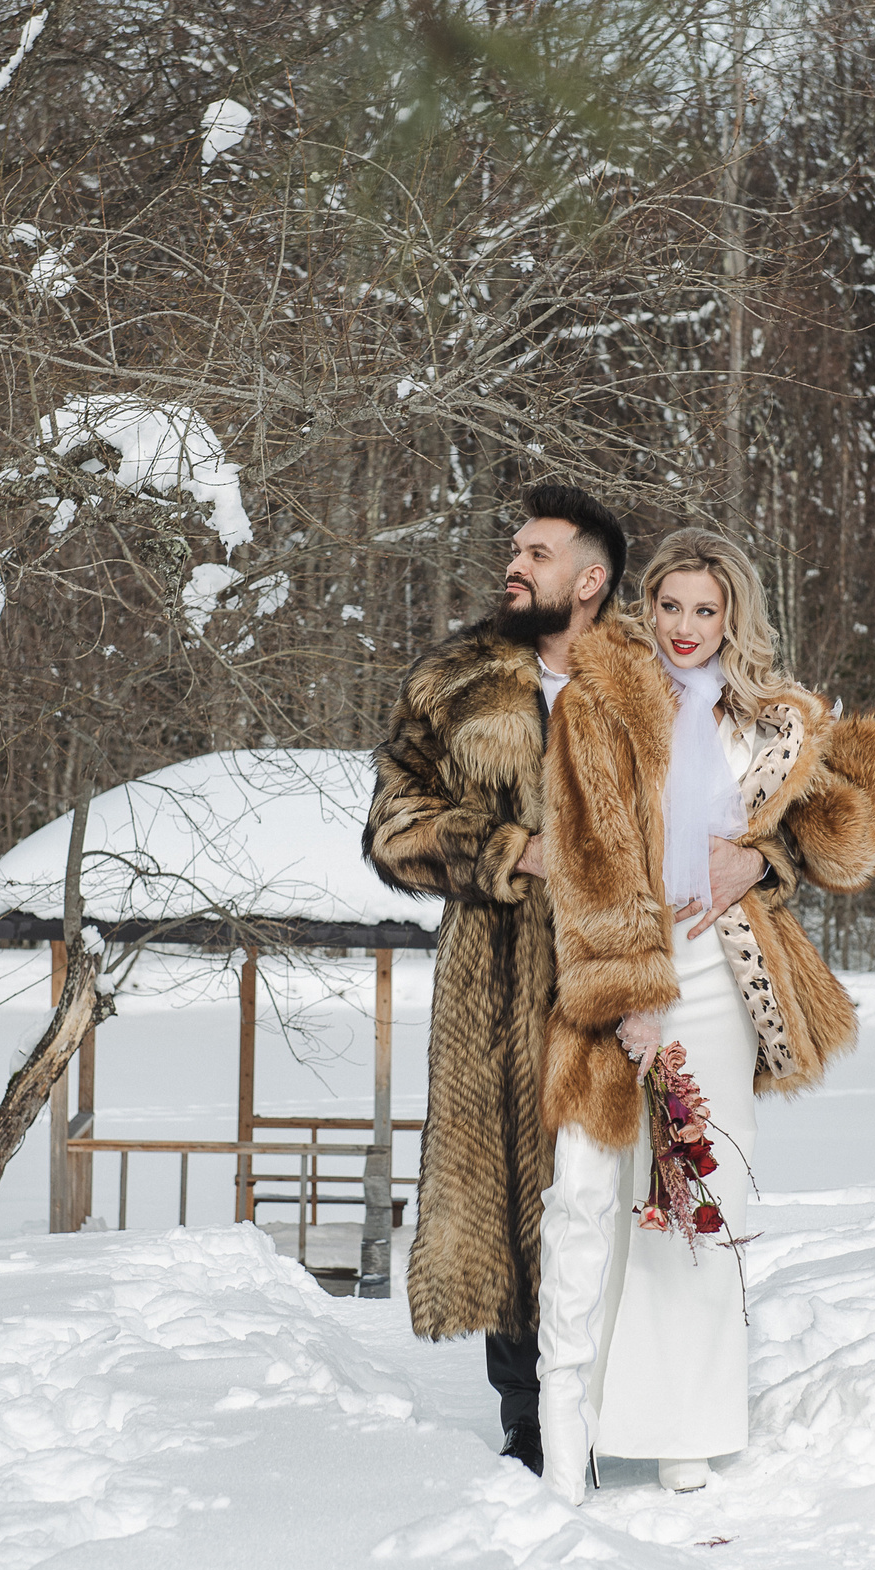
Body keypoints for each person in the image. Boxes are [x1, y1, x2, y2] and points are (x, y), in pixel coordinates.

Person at [535, 526, 875, 1502]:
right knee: (601, 1199)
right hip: (622, 968)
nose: (687, 626)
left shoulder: (774, 722)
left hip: (723, 978)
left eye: (706, 609)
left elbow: (842, 848)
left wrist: (765, 859)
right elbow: (584, 854)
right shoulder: (604, 704)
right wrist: (631, 988)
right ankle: (582, 1419)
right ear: (646, 605)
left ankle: (685, 1429)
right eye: (670, 606)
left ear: (731, 615)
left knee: (700, 1195)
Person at [362, 482, 628, 1476]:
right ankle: (529, 1417)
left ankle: (632, 1399)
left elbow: (736, 802)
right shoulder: (456, 680)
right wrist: (513, 849)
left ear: (590, 580)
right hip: (497, 987)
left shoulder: (651, 679)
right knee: (525, 1198)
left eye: (539, 552)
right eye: (512, 548)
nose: (515, 564)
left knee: (626, 1191)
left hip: (626, 978)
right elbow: (393, 827)